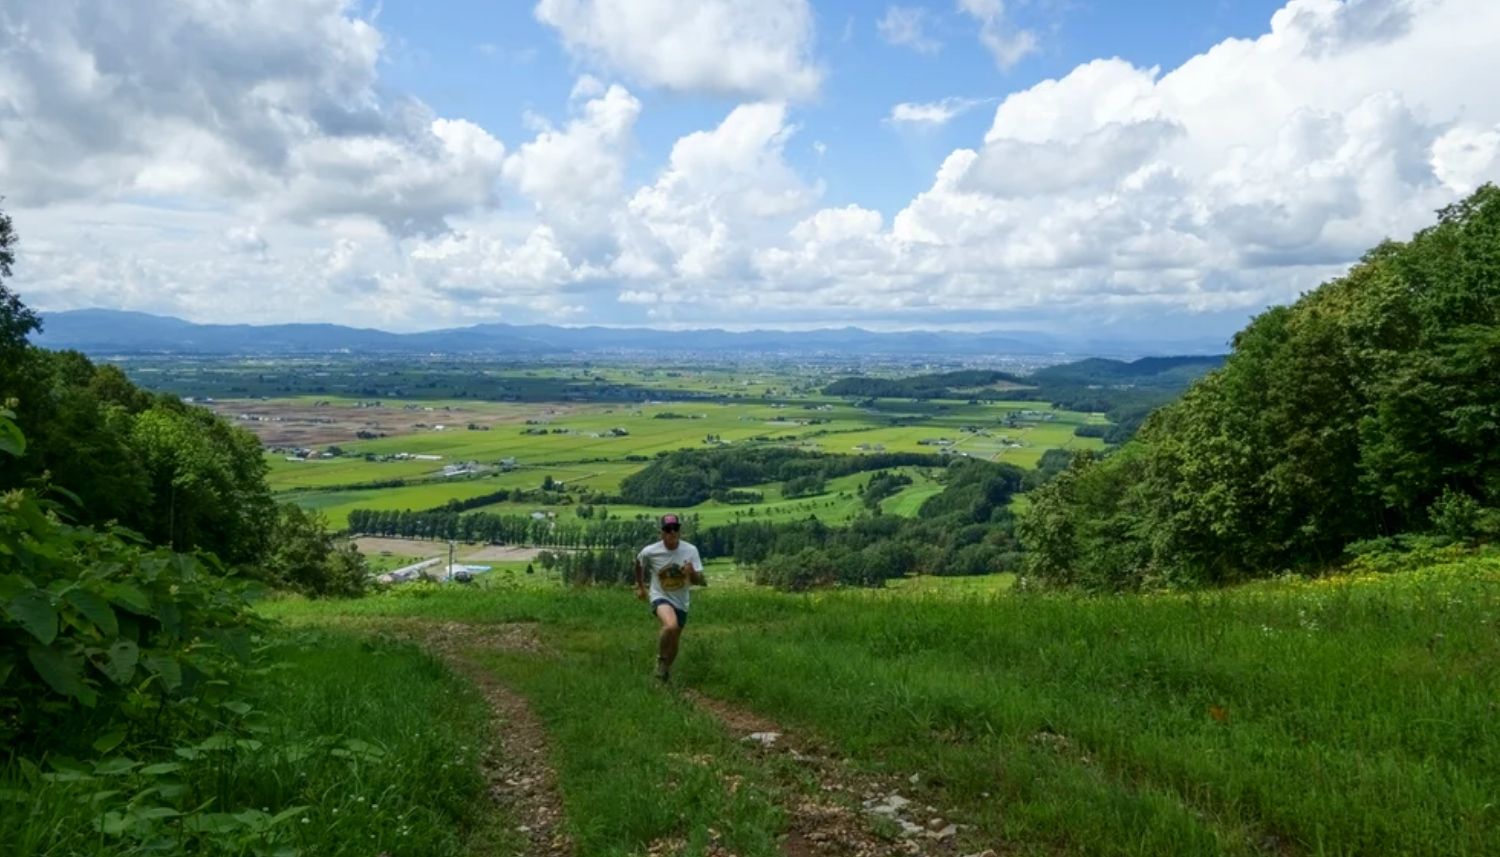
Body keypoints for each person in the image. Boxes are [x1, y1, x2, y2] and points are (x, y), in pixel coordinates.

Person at [635, 514, 706, 682]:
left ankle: (664, 673)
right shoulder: (650, 551)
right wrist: (641, 587)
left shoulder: (690, 550)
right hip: (660, 596)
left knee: (675, 640)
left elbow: (700, 581)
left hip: (681, 601)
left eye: (675, 529)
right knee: (670, 625)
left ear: (679, 531)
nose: (672, 532)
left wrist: (692, 572)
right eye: (668, 529)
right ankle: (661, 659)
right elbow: (638, 564)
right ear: (661, 533)